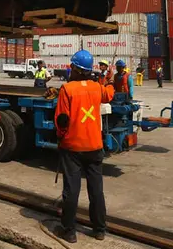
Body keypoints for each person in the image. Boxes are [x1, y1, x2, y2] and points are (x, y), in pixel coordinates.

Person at [54, 50, 115, 243]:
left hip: (73, 147)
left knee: (71, 190)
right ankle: (99, 229)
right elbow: (110, 95)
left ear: (77, 69)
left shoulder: (67, 89)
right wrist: (110, 79)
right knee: (96, 190)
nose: (69, 70)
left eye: (72, 67)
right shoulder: (97, 87)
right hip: (94, 147)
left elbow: (61, 120)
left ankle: (69, 231)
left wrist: (61, 138)